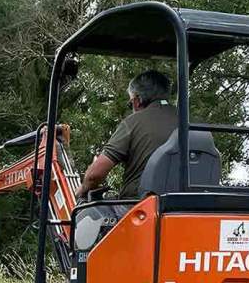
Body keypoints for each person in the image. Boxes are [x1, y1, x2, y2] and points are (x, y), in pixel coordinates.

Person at [76, 69, 178, 200]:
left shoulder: (133, 123)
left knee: (88, 210)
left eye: (130, 103)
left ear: (137, 100)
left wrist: (82, 189)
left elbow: (94, 176)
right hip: (191, 205)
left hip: (140, 205)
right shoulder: (194, 122)